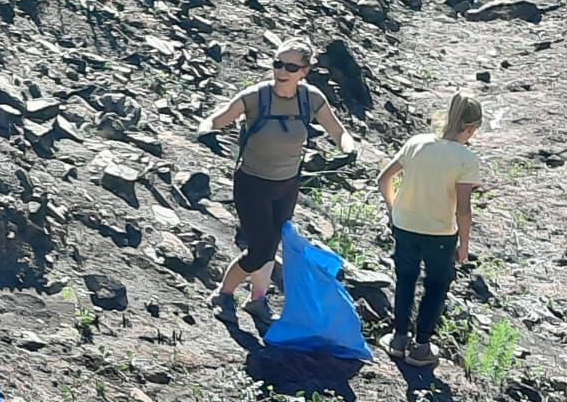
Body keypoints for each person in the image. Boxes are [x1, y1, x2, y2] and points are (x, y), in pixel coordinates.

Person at [200, 39, 355, 326]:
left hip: (287, 186)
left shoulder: (311, 99)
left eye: (291, 66)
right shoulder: (256, 96)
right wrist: (207, 132)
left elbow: (339, 132)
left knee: (271, 245)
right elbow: (215, 119)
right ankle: (223, 293)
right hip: (252, 183)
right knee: (260, 247)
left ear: (304, 71)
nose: (282, 70)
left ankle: (257, 300)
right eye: (277, 63)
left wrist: (349, 150)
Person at [377, 92, 484, 367]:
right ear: (471, 128)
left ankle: (399, 338)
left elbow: (383, 178)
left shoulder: (417, 143)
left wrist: (393, 211)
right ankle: (421, 346)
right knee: (436, 286)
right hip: (439, 232)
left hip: (405, 226)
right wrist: (464, 245)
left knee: (405, 279)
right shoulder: (465, 159)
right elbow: (463, 209)